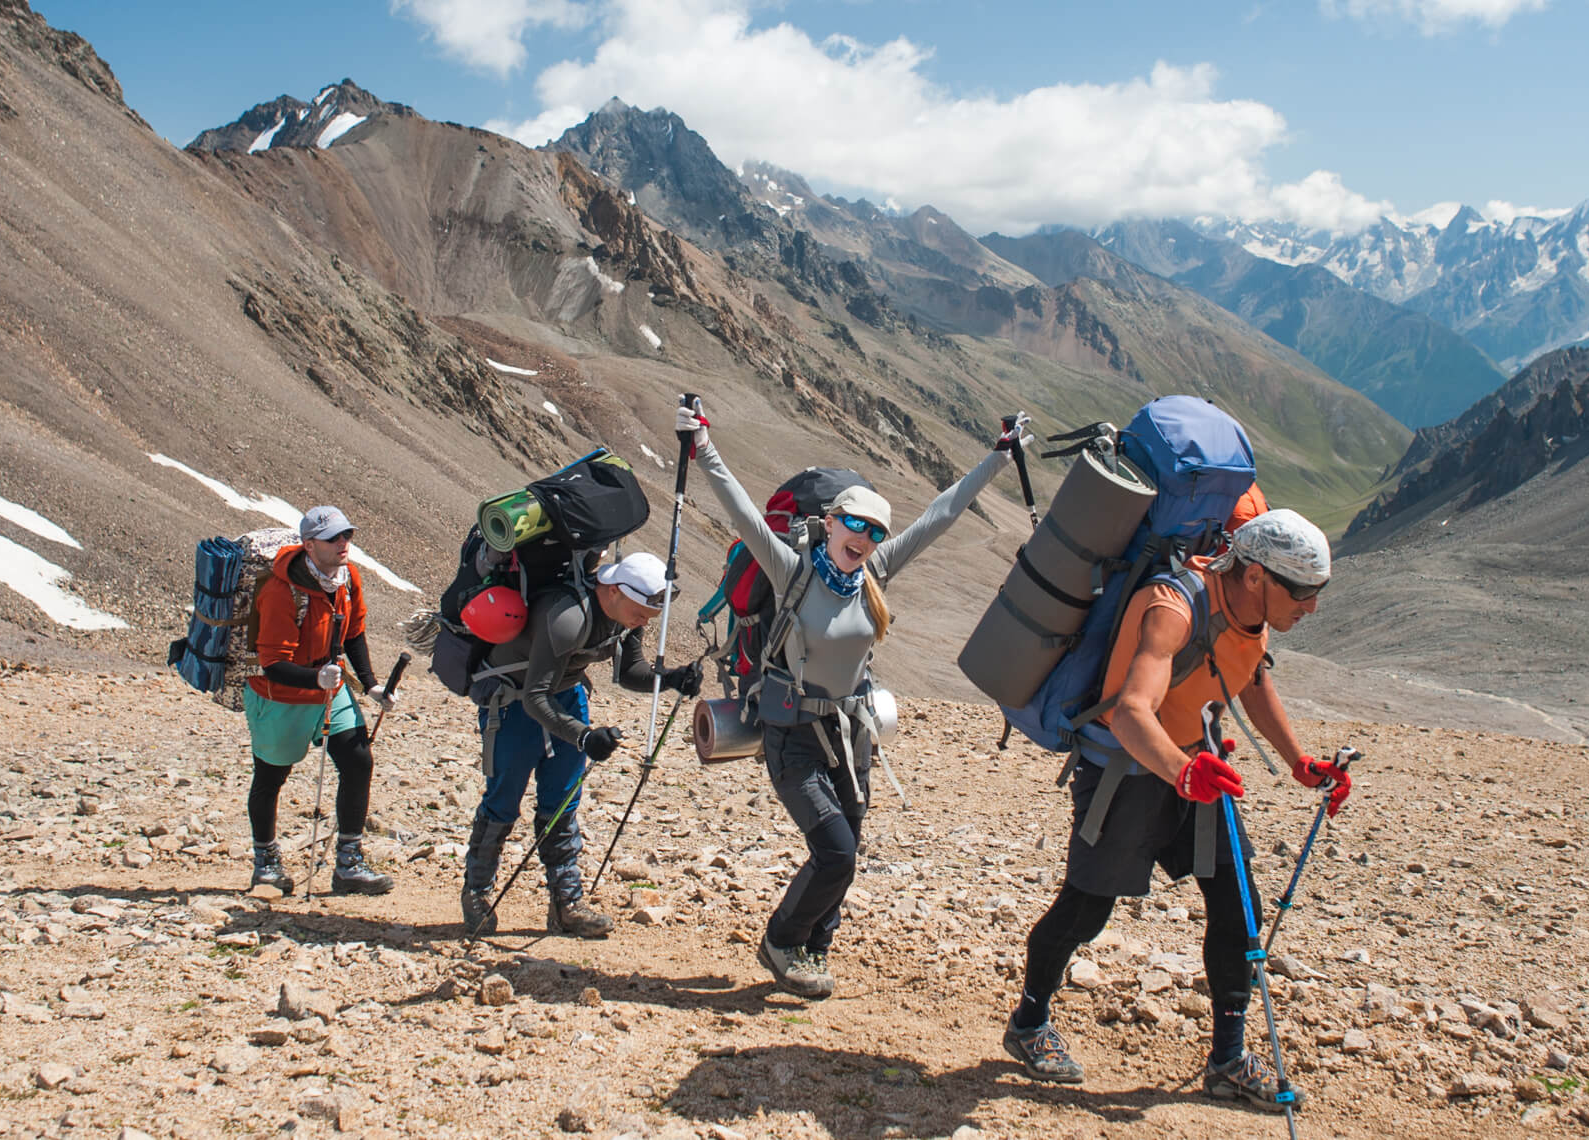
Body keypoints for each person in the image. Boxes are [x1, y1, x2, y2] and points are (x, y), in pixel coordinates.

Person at [1000, 508, 1354, 1112]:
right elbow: (1133, 709)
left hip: (1197, 767)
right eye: (1300, 592)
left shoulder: (1251, 613)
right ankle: (1029, 1022)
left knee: (1238, 907)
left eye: (1317, 592)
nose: (1310, 607)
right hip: (1131, 770)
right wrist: (1183, 772)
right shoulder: (1174, 607)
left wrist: (1299, 761)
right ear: (1254, 577)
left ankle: (1228, 1059)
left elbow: (1248, 676)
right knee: (1086, 910)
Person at [679, 399, 1027, 999]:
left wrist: (996, 459)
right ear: (833, 522)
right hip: (792, 738)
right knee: (835, 851)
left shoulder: (876, 572)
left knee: (848, 846)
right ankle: (782, 941)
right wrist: (702, 445)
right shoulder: (793, 571)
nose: (867, 539)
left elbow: (942, 514)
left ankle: (815, 948)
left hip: (851, 736)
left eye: (876, 532)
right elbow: (740, 510)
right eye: (857, 526)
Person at [459, 551, 702, 937]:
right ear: (614, 591)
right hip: (513, 703)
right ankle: (476, 893)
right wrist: (584, 736)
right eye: (640, 613)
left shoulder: (626, 615)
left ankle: (567, 903)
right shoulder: (568, 618)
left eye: (648, 618)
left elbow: (628, 672)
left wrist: (671, 677)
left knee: (562, 802)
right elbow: (535, 697)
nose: (643, 622)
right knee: (503, 800)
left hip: (568, 697)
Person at [244, 507, 399, 896]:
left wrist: (370, 685)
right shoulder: (282, 591)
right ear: (309, 544)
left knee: (358, 760)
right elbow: (272, 662)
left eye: (347, 535)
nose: (344, 543)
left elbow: (354, 634)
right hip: (280, 697)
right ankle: (265, 864)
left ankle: (349, 863)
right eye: (334, 538)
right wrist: (314, 677)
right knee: (271, 778)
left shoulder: (347, 579)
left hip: (329, 690)